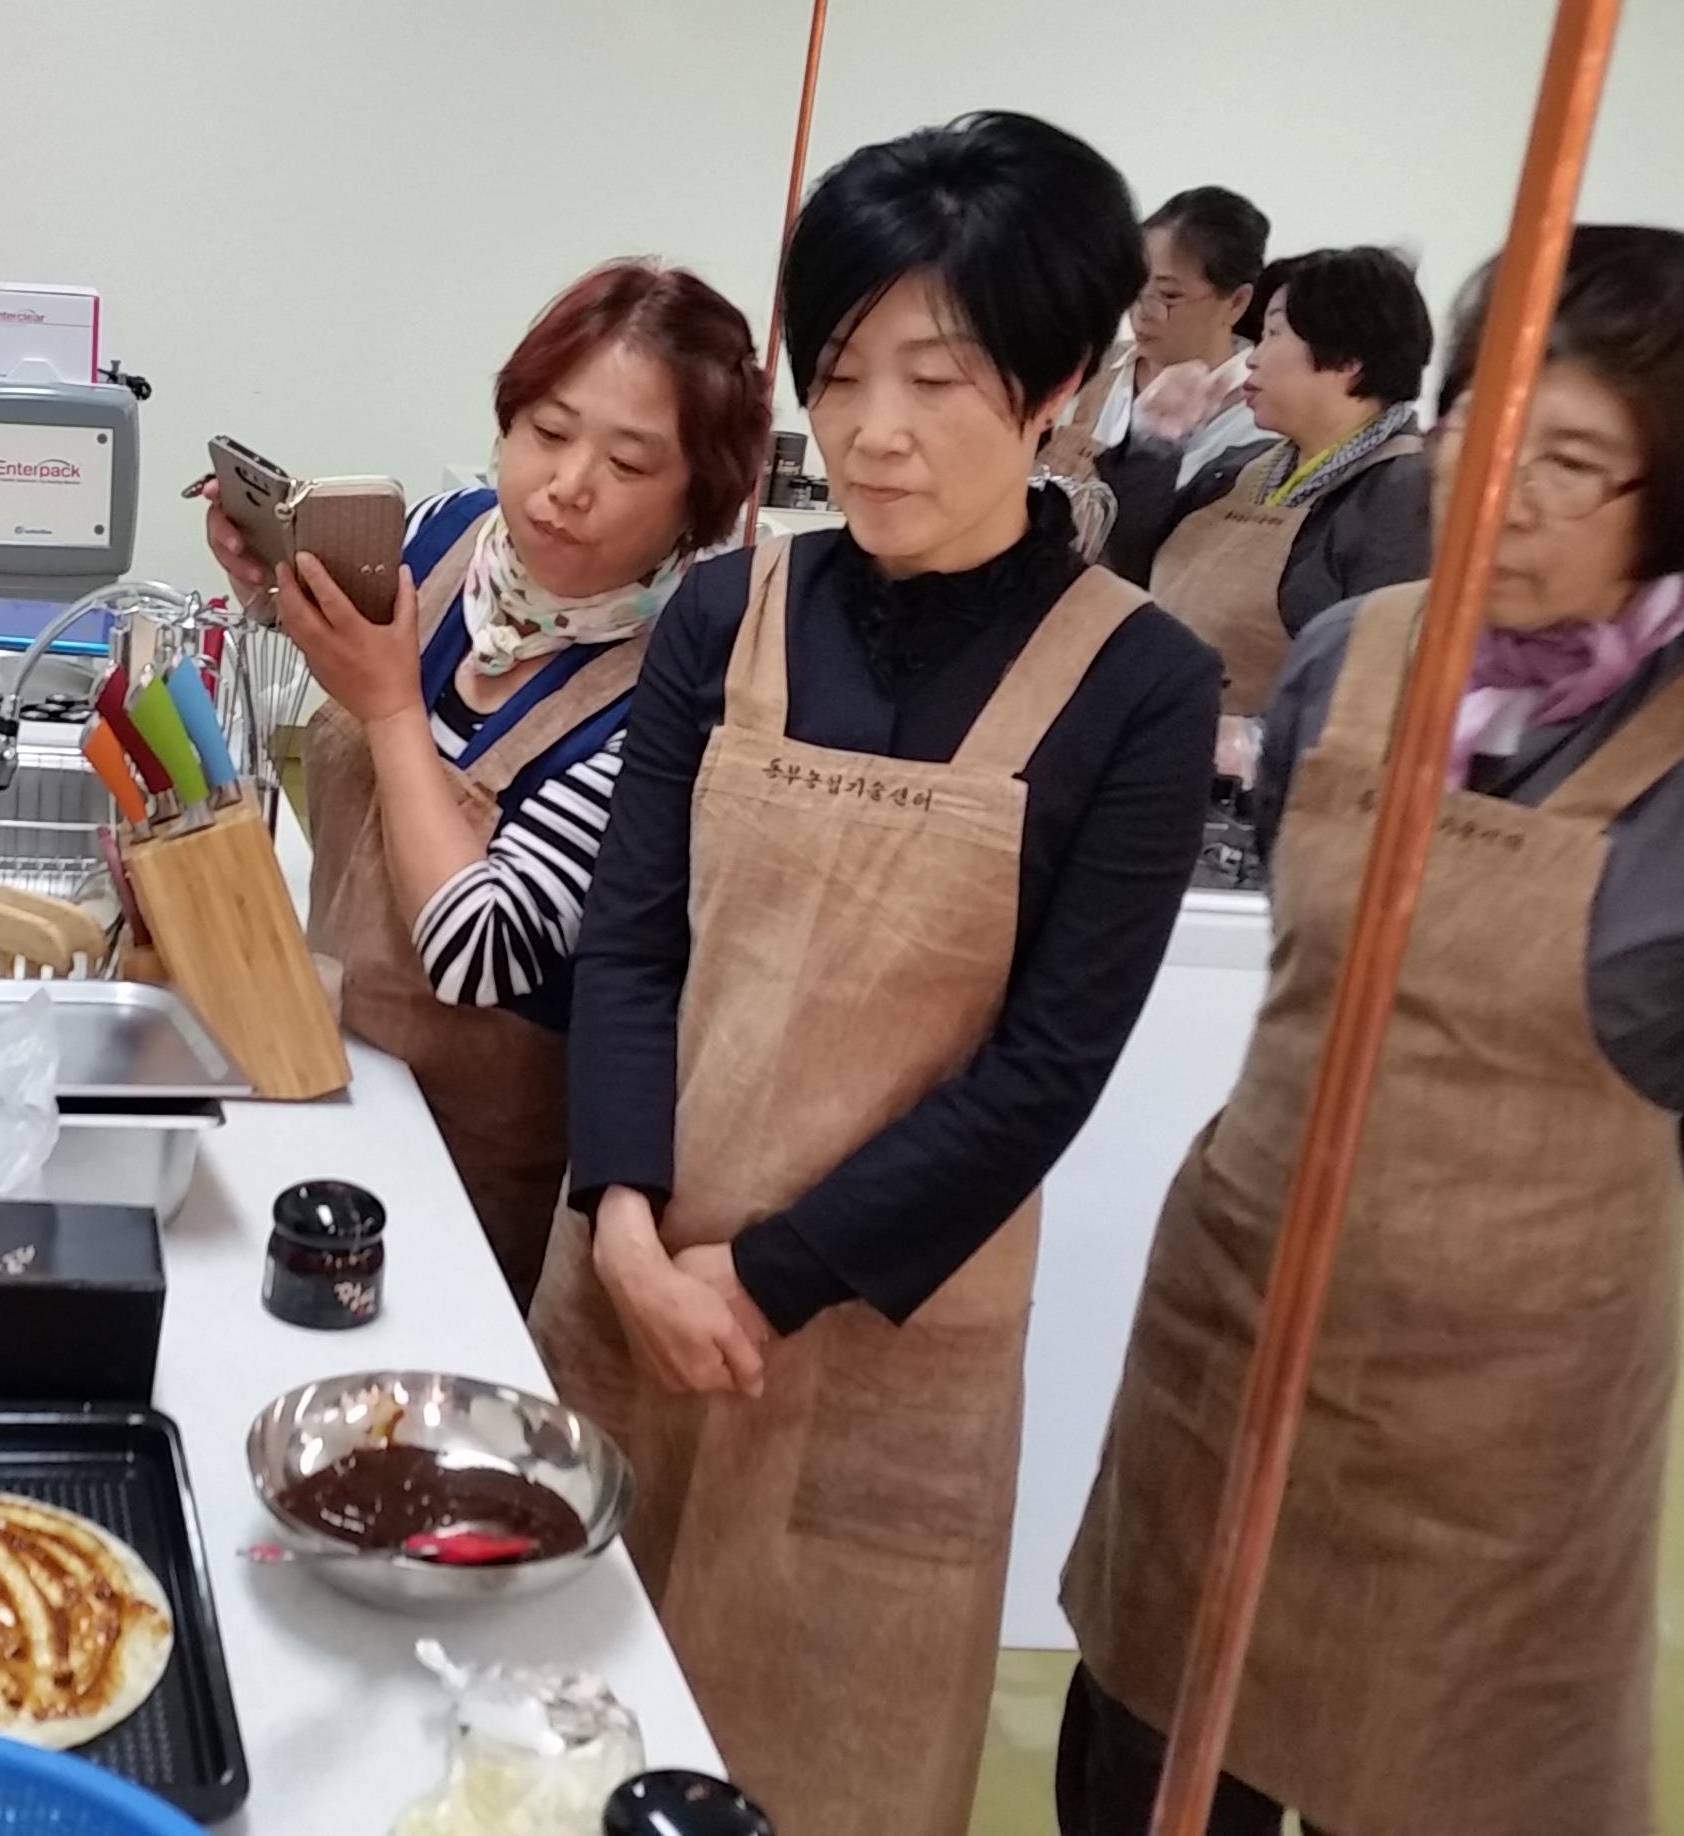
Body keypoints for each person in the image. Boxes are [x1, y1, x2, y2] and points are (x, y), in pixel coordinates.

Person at [1060, 227, 1684, 1836]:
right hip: (1234, 1333)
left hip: (1506, 1414)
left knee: (1434, 1777)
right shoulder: (1352, 657)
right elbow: (1303, 923)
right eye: (1480, 427)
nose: (1502, 489)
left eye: (1570, 459)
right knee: (1155, 1760)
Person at [537, 114, 1222, 1833]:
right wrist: (621, 1219)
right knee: (538, 1740)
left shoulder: (1138, 686)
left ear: (1058, 384)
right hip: (630, 1282)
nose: (870, 429)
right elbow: (631, 936)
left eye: (937, 378)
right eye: (839, 375)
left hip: (875, 1347)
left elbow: (1044, 1070)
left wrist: (765, 1279)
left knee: (821, 1774)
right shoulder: (726, 616)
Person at [202, 261, 768, 1306]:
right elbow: (354, 697)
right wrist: (276, 587)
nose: (568, 484)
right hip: (322, 1067)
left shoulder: (678, 688)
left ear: (700, 498)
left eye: (628, 462)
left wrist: (391, 709)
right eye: (549, 431)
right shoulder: (447, 535)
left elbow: (479, 949)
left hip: (472, 1178)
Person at [1105, 245, 1438, 718]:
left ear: (1347, 360)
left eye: (1273, 334)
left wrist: (1258, 741)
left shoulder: (1404, 495)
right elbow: (1130, 563)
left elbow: (1374, 685)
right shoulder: (1241, 465)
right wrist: (1152, 447)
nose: (1252, 358)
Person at [1039, 186, 1271, 486]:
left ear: (1236, 302)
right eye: (1135, 288)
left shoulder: (1260, 411)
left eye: (1168, 295)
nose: (1141, 312)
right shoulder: (1092, 369)